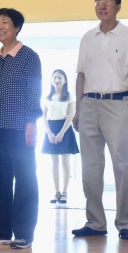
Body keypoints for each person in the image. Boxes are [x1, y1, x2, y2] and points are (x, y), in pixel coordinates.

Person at [71, 0, 128, 241]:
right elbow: (81, 75)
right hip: (89, 104)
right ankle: (95, 222)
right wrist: (78, 107)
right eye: (98, 2)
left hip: (118, 103)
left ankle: (125, 222)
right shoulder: (87, 37)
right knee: (90, 167)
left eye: (107, 1)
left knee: (122, 165)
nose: (102, 6)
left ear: (118, 7)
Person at [0, 8, 42, 250]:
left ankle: (24, 234)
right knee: (1, 181)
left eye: (5, 22)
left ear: (17, 28)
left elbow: (34, 90)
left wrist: (31, 122)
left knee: (25, 180)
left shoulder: (29, 56)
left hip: (19, 129)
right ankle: (0, 232)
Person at [41, 69, 79, 204]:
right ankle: (56, 192)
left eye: (60, 78)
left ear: (65, 81)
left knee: (65, 162)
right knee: (54, 162)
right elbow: (44, 117)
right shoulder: (47, 97)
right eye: (55, 77)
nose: (57, 80)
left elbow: (71, 115)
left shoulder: (70, 96)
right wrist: (49, 133)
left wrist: (62, 133)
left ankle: (64, 193)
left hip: (65, 128)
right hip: (51, 128)